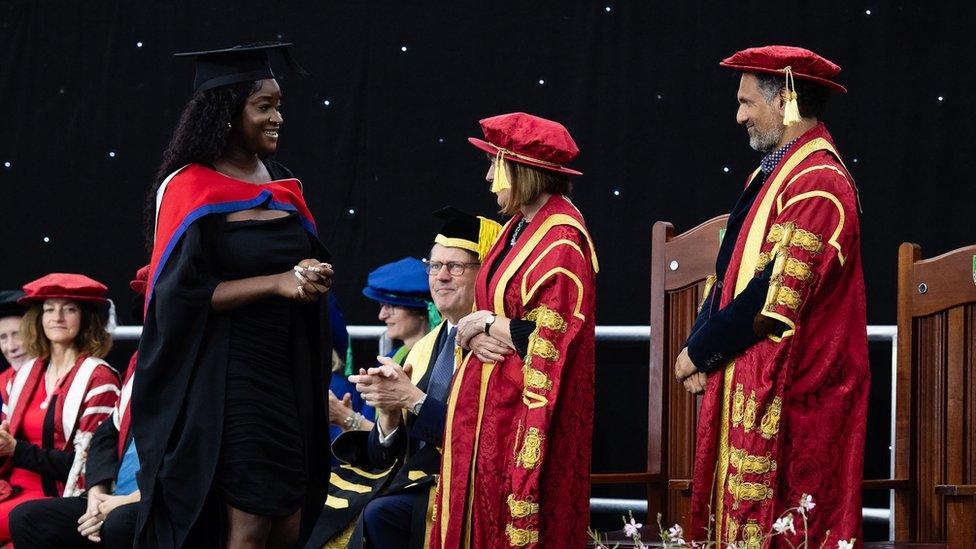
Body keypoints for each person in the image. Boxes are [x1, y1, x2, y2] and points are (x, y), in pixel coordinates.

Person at [132, 43, 334, 548]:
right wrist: (277, 282)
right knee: (248, 525)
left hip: (285, 371)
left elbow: (293, 267)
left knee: (288, 521)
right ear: (226, 112)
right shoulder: (188, 188)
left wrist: (310, 273)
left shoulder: (282, 186)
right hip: (223, 376)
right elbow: (178, 297)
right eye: (263, 107)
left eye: (278, 105)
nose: (277, 118)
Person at [672, 46, 868, 546]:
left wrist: (697, 352)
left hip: (799, 398)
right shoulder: (775, 173)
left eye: (746, 102)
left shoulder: (819, 183)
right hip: (752, 379)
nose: (738, 116)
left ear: (784, 100)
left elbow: (772, 297)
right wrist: (701, 351)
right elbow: (729, 275)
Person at [431, 113, 599, 548]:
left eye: (495, 165)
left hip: (519, 414)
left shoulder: (561, 239)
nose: (489, 178)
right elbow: (491, 309)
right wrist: (473, 330)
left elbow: (554, 336)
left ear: (519, 170)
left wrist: (486, 322)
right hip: (486, 408)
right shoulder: (516, 227)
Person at [311, 207, 501, 548]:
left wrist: (411, 398)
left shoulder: (495, 344)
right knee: (316, 504)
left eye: (455, 267)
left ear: (485, 272)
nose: (441, 276)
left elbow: (486, 439)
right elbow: (390, 454)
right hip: (414, 482)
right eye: (434, 266)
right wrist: (388, 414)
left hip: (467, 488)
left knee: (378, 513)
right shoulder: (425, 347)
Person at [10, 266, 149, 548]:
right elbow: (106, 438)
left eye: (69, 309)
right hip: (18, 483)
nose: (57, 317)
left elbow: (81, 463)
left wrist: (15, 450)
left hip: (64, 487)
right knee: (22, 516)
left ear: (85, 319)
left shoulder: (98, 377)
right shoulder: (24, 374)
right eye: (49, 309)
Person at [328, 257, 437, 439]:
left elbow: (411, 442)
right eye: (382, 305)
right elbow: (378, 437)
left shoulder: (437, 361)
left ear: (421, 311)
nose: (382, 315)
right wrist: (346, 417)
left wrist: (347, 418)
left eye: (392, 306)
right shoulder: (393, 358)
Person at [0, 290, 30, 386]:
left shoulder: (59, 381)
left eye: (18, 334)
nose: (11, 347)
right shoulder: (2, 385)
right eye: (3, 337)